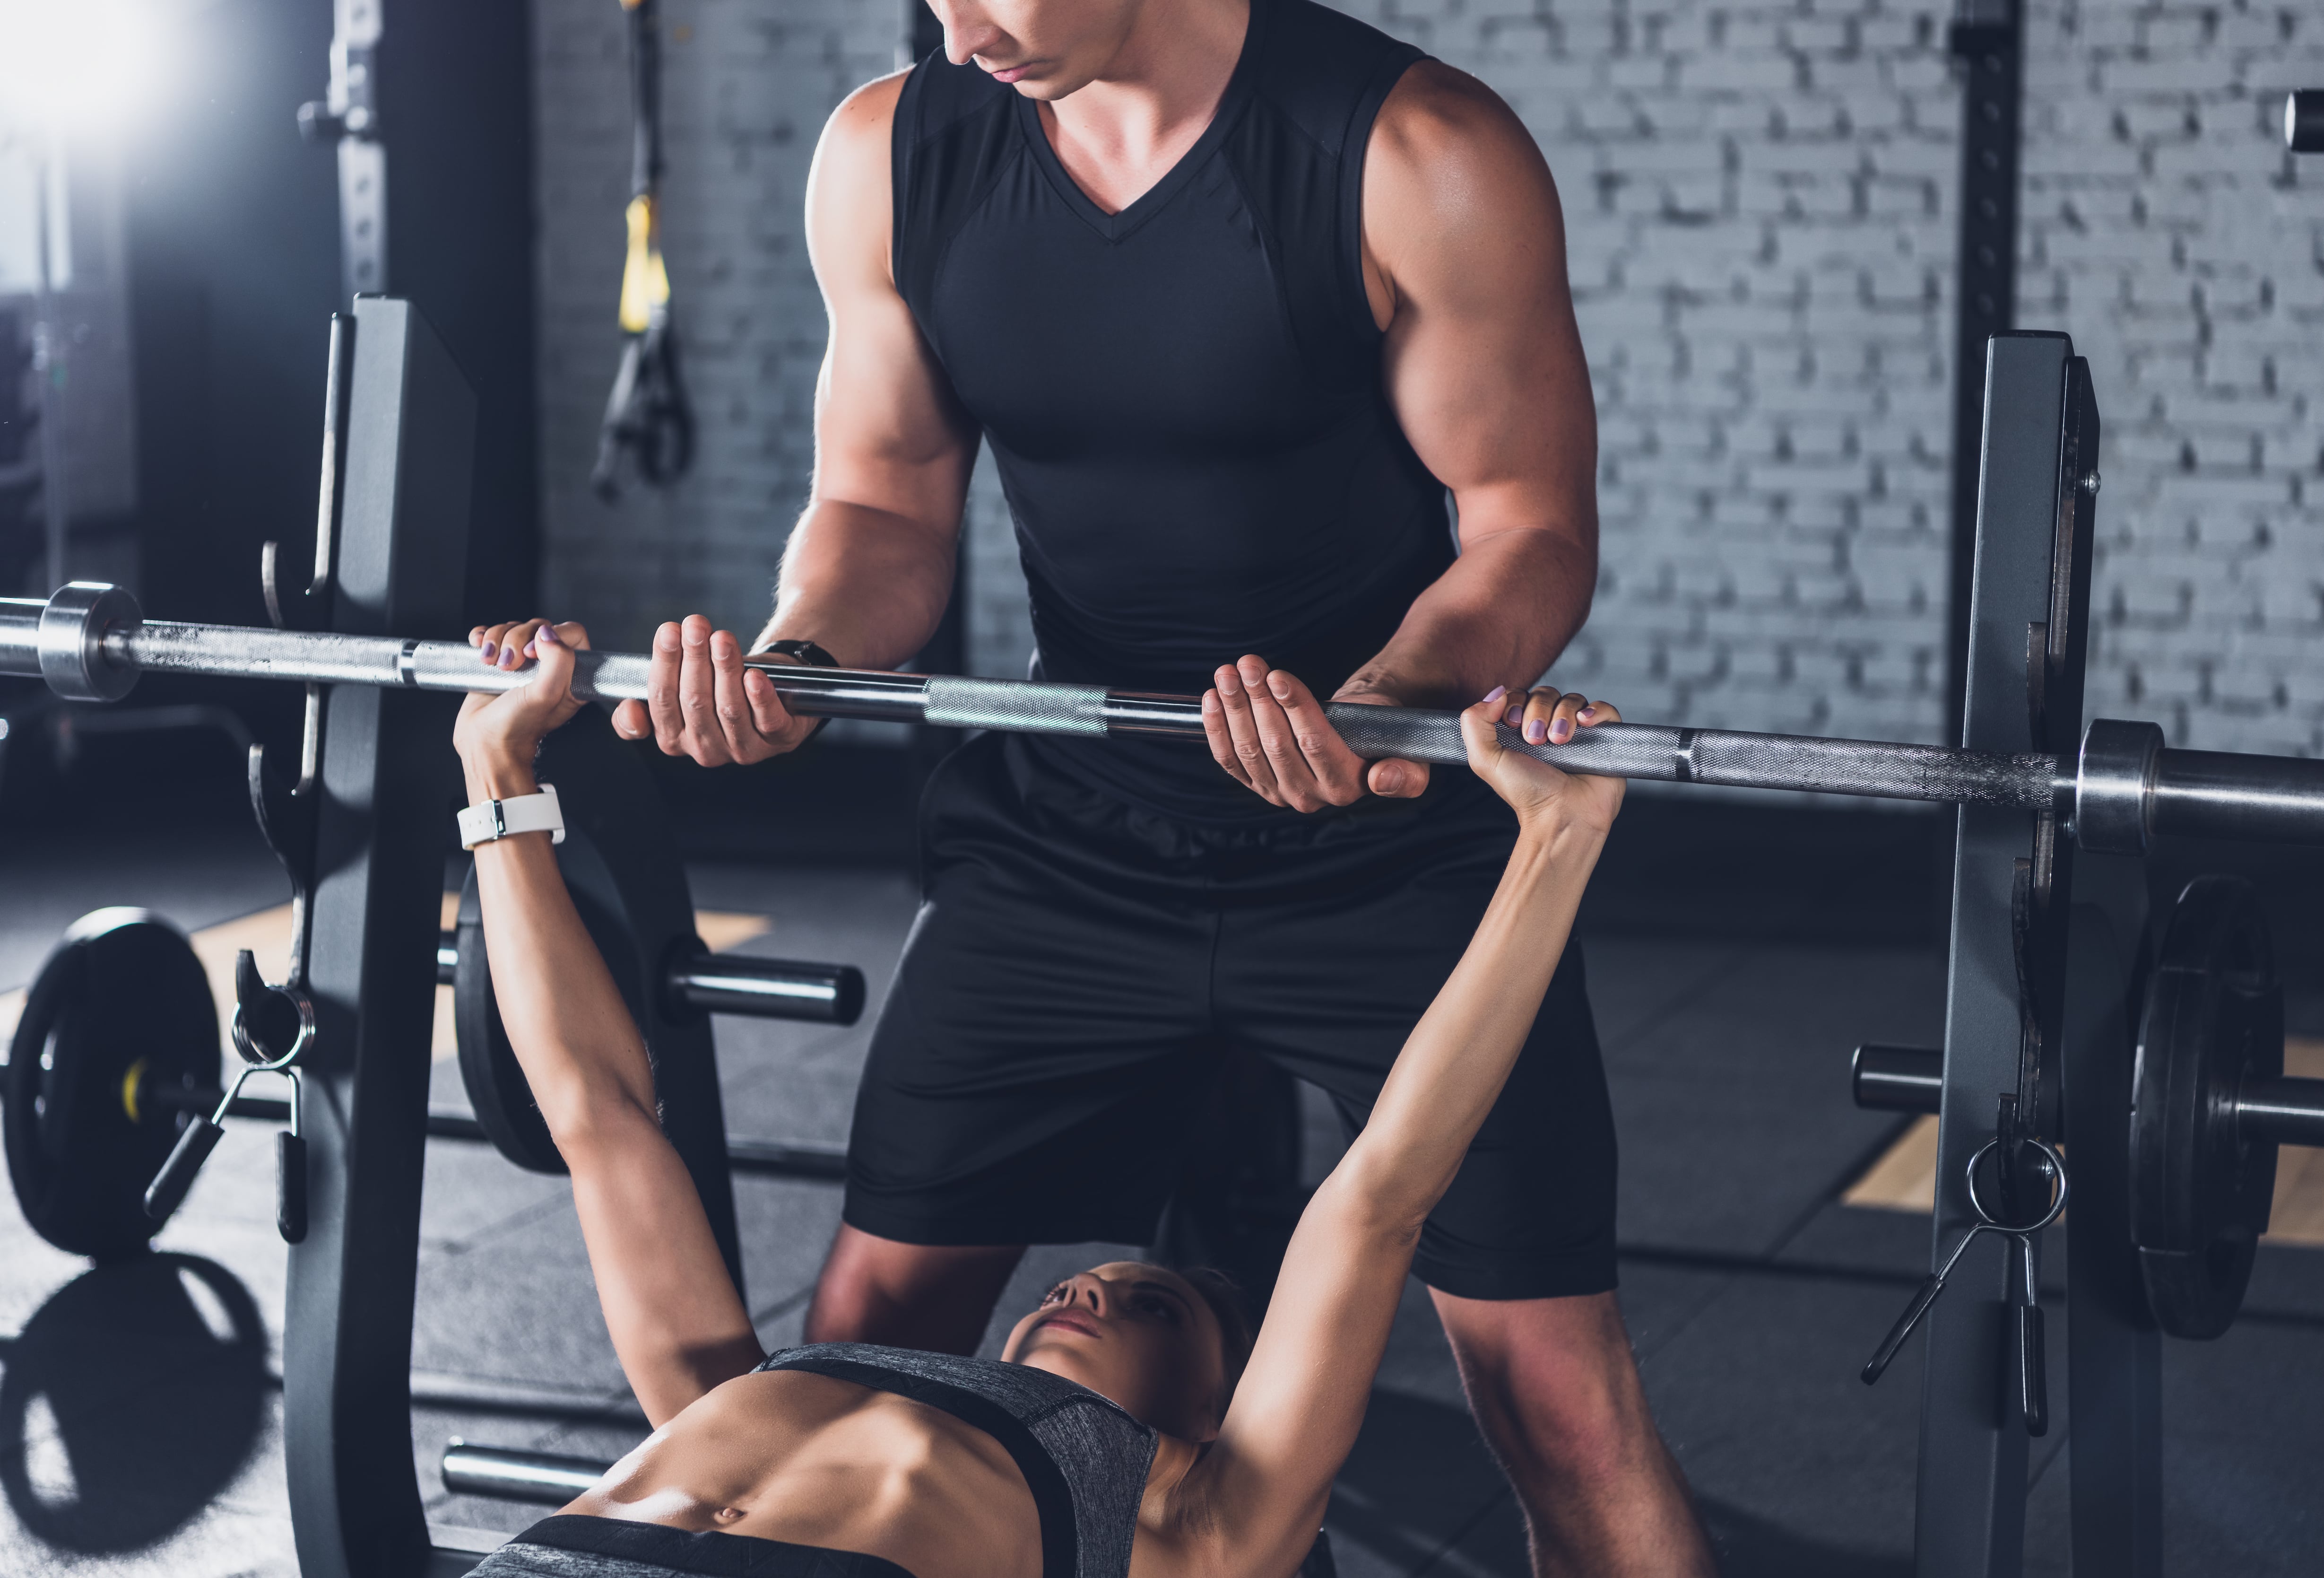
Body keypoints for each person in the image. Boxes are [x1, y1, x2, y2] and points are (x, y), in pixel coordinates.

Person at [567, 0, 1717, 1568]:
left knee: (1557, 1399)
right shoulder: (890, 158)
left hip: (1385, 847)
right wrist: (796, 662)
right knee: (849, 1343)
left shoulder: (1412, 154)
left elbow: (1525, 522)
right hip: (1070, 834)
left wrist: (1388, 702)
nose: (961, 29)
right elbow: (883, 498)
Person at [451, 623, 1627, 1578]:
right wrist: (497, 767)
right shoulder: (727, 1388)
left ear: (1216, 1414)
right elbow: (598, 1116)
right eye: (1104, 1282)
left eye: (1153, 1309)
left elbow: (1380, 1192)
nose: (1082, 1285)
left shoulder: (1189, 1533)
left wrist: (1555, 841)